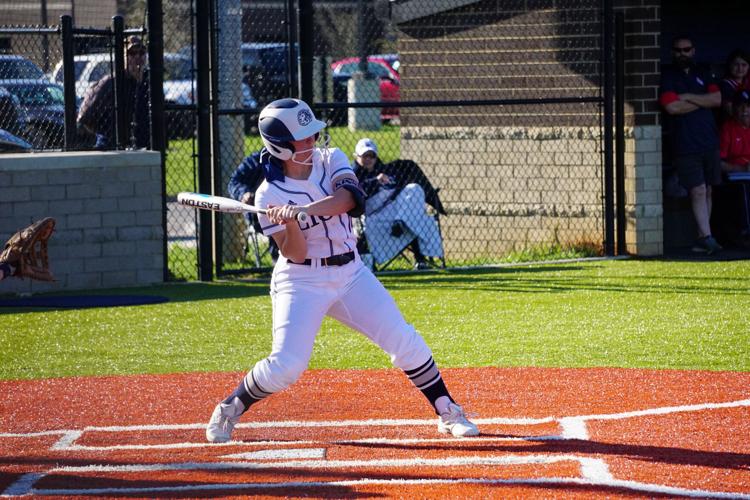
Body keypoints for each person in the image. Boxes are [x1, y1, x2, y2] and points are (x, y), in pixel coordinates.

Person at [205, 98, 478, 443]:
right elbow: (295, 252)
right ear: (281, 147)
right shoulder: (267, 195)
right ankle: (230, 407)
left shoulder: (331, 159)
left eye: (312, 134)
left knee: (403, 338)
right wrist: (288, 224)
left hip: (351, 272)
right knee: (287, 365)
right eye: (303, 138)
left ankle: (447, 410)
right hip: (301, 280)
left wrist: (302, 210)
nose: (312, 141)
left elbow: (351, 199)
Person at [659, 36, 723, 254]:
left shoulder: (703, 72)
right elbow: (672, 108)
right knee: (697, 189)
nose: (682, 54)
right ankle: (707, 237)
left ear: (693, 51)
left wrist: (687, 97)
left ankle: (701, 237)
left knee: (708, 191)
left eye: (686, 50)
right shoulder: (668, 75)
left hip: (709, 140)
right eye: (678, 50)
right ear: (672, 52)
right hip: (685, 143)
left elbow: (716, 100)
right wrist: (701, 101)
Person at [353, 138, 445, 270]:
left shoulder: (387, 169)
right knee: (412, 215)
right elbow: (356, 193)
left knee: (414, 191)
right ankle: (418, 255)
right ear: (357, 156)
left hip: (394, 209)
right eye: (364, 156)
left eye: (371, 156)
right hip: (371, 212)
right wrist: (375, 181)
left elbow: (399, 186)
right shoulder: (353, 173)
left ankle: (402, 224)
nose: (368, 159)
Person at [77, 36, 150, 150]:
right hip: (111, 146)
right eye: (132, 53)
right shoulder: (110, 82)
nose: (137, 57)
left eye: (141, 53)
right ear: (124, 57)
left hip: (143, 144)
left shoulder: (148, 84)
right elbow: (85, 116)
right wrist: (107, 133)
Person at [227, 150, 280, 263]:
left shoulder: (298, 157)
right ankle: (278, 259)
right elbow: (234, 182)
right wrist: (244, 193)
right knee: (277, 225)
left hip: (294, 209)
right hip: (259, 213)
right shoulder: (257, 159)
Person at [719, 49, 750, 121]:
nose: (740, 68)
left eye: (744, 65)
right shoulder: (725, 85)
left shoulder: (747, 83)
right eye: (736, 64)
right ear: (730, 65)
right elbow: (731, 111)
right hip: (733, 125)